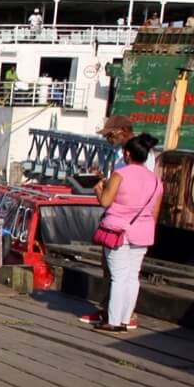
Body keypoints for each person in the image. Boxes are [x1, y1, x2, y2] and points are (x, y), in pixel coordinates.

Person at [91, 134, 161, 333]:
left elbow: (105, 201)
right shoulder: (156, 180)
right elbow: (154, 212)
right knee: (132, 277)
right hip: (143, 232)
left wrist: (98, 190)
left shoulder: (120, 174)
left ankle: (112, 321)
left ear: (127, 153)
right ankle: (124, 319)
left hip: (118, 231)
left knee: (118, 277)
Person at [81, 115, 144, 329]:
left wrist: (100, 187)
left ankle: (115, 318)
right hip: (137, 224)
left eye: (110, 134)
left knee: (118, 274)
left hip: (120, 223)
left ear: (123, 132)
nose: (108, 138)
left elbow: (110, 198)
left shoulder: (135, 157)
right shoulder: (121, 155)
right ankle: (118, 314)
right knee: (125, 273)